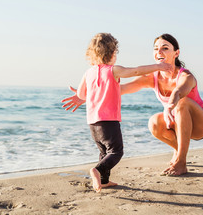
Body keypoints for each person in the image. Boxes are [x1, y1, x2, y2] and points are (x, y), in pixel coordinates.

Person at [62, 33, 203, 176]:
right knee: (154, 122)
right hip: (176, 121)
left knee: (182, 103)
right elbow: (119, 89)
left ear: (176, 53)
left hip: (200, 124)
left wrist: (169, 107)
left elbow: (178, 93)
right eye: (156, 48)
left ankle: (181, 162)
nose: (159, 51)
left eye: (165, 48)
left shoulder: (186, 76)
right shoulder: (152, 77)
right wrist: (88, 96)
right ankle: (179, 150)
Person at [73, 33, 172, 192]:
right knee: (116, 151)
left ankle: (103, 181)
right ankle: (97, 171)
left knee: (104, 152)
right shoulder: (114, 70)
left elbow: (81, 95)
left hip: (92, 123)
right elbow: (136, 71)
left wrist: (79, 97)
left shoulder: (88, 72)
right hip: (108, 121)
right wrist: (158, 67)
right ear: (112, 53)